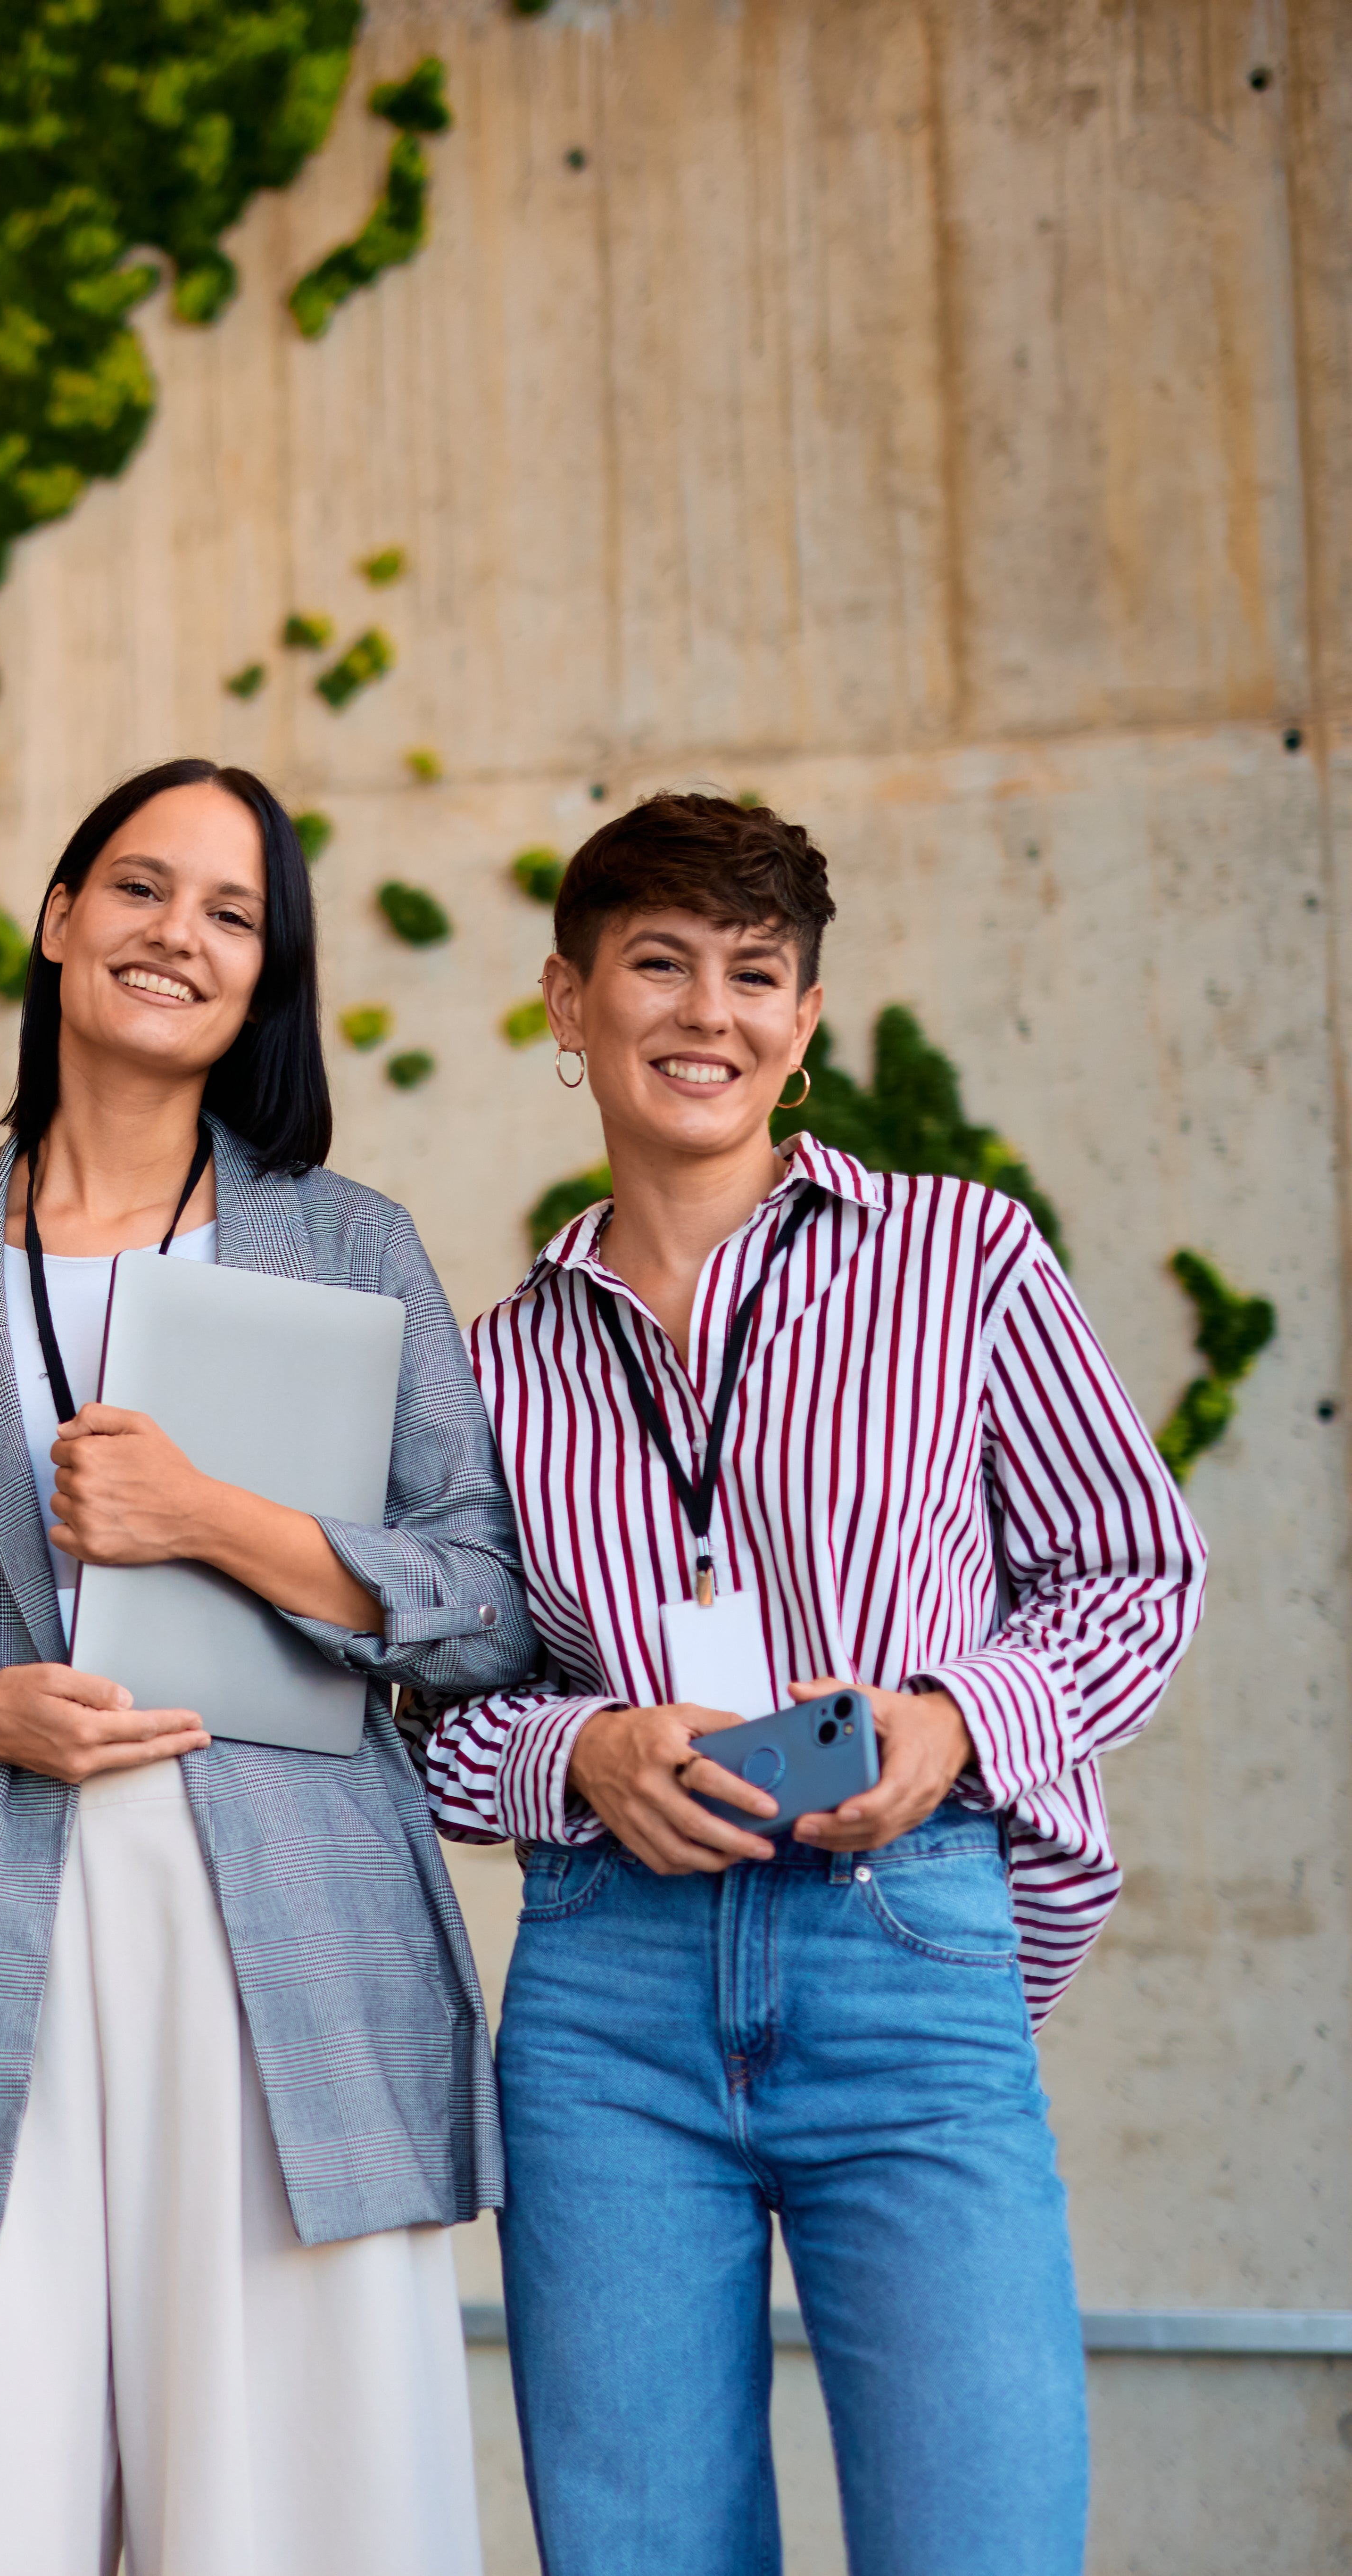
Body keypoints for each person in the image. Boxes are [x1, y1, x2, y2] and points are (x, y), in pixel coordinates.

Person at [431, 794, 1207, 2576]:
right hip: (608, 1996)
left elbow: (1138, 1571)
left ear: (802, 1026)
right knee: (640, 2552)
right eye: (659, 966)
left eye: (756, 975)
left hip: (910, 1957)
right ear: (568, 1003)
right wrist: (584, 1750)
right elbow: (427, 1723)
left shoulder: (964, 1261)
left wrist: (952, 1721)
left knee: (982, 2538)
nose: (709, 1013)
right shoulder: (488, 1366)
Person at [0, 758, 534, 2576]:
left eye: (231, 913)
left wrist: (214, 1520)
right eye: (139, 887)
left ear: (267, 982)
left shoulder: (350, 1246)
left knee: (301, 2505)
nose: (175, 934)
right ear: (57, 922)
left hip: (294, 1939)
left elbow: (486, 1594)